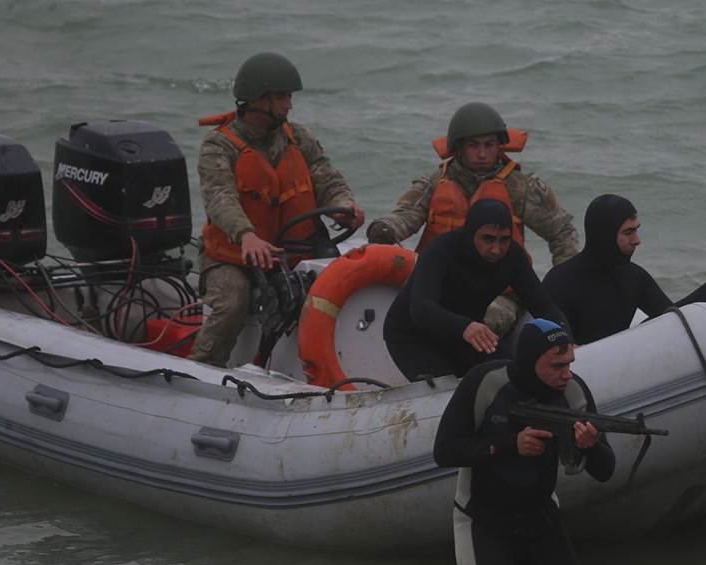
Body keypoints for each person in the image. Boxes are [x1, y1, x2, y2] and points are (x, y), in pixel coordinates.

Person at [434, 318, 616, 565]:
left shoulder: (574, 394)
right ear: (531, 359)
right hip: (483, 518)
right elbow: (445, 450)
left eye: (570, 365)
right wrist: (508, 445)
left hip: (541, 520)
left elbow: (606, 470)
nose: (567, 374)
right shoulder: (486, 382)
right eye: (557, 365)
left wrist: (591, 445)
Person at [188, 52, 364, 367]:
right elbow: (220, 198)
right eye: (282, 97)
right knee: (232, 302)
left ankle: (329, 371)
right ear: (257, 100)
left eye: (290, 97)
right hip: (234, 259)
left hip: (291, 257)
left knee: (342, 294)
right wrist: (247, 236)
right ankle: (201, 368)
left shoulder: (299, 138)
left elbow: (328, 179)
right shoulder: (218, 146)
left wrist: (343, 206)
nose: (289, 105)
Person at [364, 102, 579, 337]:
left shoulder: (521, 188)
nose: (483, 154)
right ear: (459, 148)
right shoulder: (435, 184)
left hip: (500, 292)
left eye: (489, 145)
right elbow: (405, 216)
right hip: (441, 286)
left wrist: (564, 285)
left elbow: (561, 231)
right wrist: (386, 228)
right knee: (415, 314)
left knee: (485, 321)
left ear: (500, 146)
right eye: (473, 146)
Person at [383, 198, 568, 381]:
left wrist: (565, 338)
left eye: (504, 240)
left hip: (466, 334)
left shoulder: (512, 256)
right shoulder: (440, 251)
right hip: (413, 337)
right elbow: (421, 309)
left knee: (512, 379)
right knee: (447, 390)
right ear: (470, 234)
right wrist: (465, 326)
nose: (496, 249)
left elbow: (542, 303)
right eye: (488, 239)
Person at [542, 194, 672, 344]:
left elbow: (673, 318)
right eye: (628, 233)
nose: (637, 240)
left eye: (636, 230)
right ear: (605, 235)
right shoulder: (560, 283)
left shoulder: (635, 278)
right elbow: (549, 348)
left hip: (623, 360)